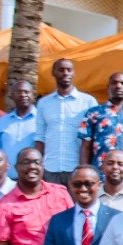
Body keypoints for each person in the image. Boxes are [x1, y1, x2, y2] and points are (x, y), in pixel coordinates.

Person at [33, 57, 97, 185]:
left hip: (78, 168)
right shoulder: (44, 103)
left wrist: (87, 167)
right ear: (53, 73)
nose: (65, 73)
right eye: (61, 70)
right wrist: (38, 166)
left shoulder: (88, 102)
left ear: (74, 73)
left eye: (69, 70)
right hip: (50, 168)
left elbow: (94, 138)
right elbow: (40, 137)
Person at [0, 80, 39, 160]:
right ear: (12, 96)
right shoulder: (2, 121)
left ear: (33, 95)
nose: (23, 95)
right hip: (7, 168)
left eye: (26, 92)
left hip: (32, 167)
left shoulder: (41, 119)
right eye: (18, 92)